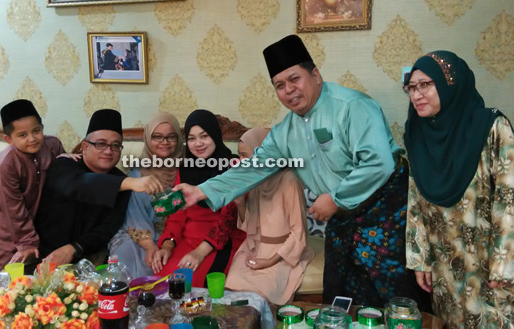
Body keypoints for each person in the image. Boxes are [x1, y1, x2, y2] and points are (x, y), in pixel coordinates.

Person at [174, 35, 431, 309]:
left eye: (294, 79)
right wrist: (202, 190)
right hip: (342, 217)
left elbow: (378, 163)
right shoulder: (285, 131)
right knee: (342, 300)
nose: (289, 90)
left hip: (385, 210)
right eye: (280, 85)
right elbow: (253, 167)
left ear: (316, 75)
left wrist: (334, 199)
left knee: (398, 299)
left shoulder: (352, 107)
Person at [404, 51, 514, 326]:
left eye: (425, 85)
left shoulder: (490, 126)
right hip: (444, 264)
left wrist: (505, 264)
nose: (416, 95)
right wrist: (419, 259)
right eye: (411, 87)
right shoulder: (417, 133)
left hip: (489, 262)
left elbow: (508, 197)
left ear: (449, 83)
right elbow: (415, 199)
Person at [34, 109, 163, 266]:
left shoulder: (122, 182)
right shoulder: (64, 165)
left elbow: (107, 228)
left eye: (115, 146)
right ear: (85, 146)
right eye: (101, 144)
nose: (109, 151)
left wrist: (74, 249)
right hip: (42, 254)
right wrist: (129, 182)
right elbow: (78, 184)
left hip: (88, 258)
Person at [151, 109, 245, 287]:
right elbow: (177, 215)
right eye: (192, 138)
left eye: (204, 136)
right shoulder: (185, 168)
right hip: (188, 240)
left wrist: (200, 253)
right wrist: (167, 246)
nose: (198, 144)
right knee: (162, 282)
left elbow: (228, 219)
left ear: (215, 136)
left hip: (220, 242)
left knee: (191, 284)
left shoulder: (233, 167)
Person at [225, 128, 314, 305]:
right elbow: (251, 225)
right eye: (239, 155)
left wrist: (269, 261)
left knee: (263, 293)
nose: (240, 161)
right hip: (255, 248)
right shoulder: (256, 180)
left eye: (244, 155)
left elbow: (298, 233)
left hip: (282, 253)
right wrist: (240, 203)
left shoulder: (289, 181)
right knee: (231, 286)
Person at [0, 99, 65, 271]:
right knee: (7, 265)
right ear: (9, 139)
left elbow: (63, 171)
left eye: (36, 131)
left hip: (32, 215)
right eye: (22, 135)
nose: (32, 139)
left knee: (34, 267)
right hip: (4, 220)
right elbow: (12, 207)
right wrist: (26, 241)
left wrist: (69, 160)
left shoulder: (52, 145)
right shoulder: (5, 164)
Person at [108, 112, 183, 278]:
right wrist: (149, 246)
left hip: (175, 237)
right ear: (148, 139)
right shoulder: (137, 176)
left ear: (178, 140)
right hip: (140, 237)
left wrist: (166, 244)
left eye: (171, 137)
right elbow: (134, 217)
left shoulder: (187, 171)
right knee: (126, 252)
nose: (165, 142)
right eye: (157, 137)